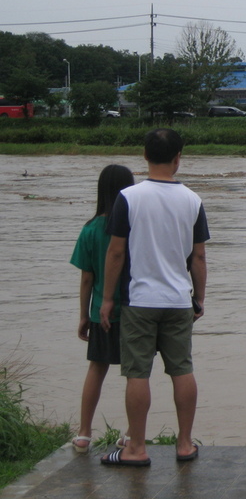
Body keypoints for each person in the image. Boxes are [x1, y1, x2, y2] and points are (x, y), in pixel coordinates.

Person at [98, 128, 209, 467]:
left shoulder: (128, 198)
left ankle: (136, 448)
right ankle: (185, 443)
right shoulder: (192, 200)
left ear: (144, 156)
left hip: (139, 299)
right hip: (178, 300)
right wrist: (199, 299)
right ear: (178, 159)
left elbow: (116, 253)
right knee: (182, 369)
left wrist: (106, 299)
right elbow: (199, 258)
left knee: (137, 373)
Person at [69, 164, 135, 454]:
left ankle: (84, 433)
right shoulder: (135, 226)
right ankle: (132, 434)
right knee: (137, 372)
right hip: (134, 310)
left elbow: (86, 278)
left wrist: (84, 315)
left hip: (100, 312)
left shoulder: (91, 228)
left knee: (96, 368)